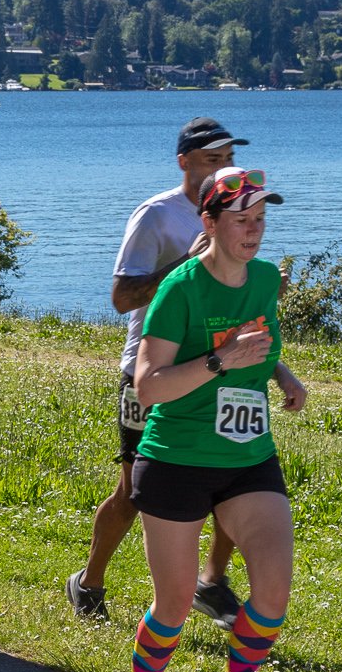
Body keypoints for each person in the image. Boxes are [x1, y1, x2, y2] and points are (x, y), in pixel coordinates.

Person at [111, 166, 307, 672]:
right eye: (241, 219)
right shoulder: (181, 289)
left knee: (273, 590)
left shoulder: (267, 279)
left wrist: (280, 372)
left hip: (247, 456)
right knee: (172, 602)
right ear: (210, 222)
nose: (254, 231)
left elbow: (259, 339)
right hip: (176, 457)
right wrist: (220, 363)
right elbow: (147, 386)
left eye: (261, 219)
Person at [67, 117, 250, 628]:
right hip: (151, 369)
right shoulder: (156, 216)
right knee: (135, 491)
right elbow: (122, 297)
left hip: (218, 366)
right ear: (185, 162)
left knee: (233, 480)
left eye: (228, 158)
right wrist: (182, 266)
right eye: (213, 159)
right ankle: (88, 582)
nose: (224, 168)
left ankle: (211, 583)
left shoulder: (237, 211)